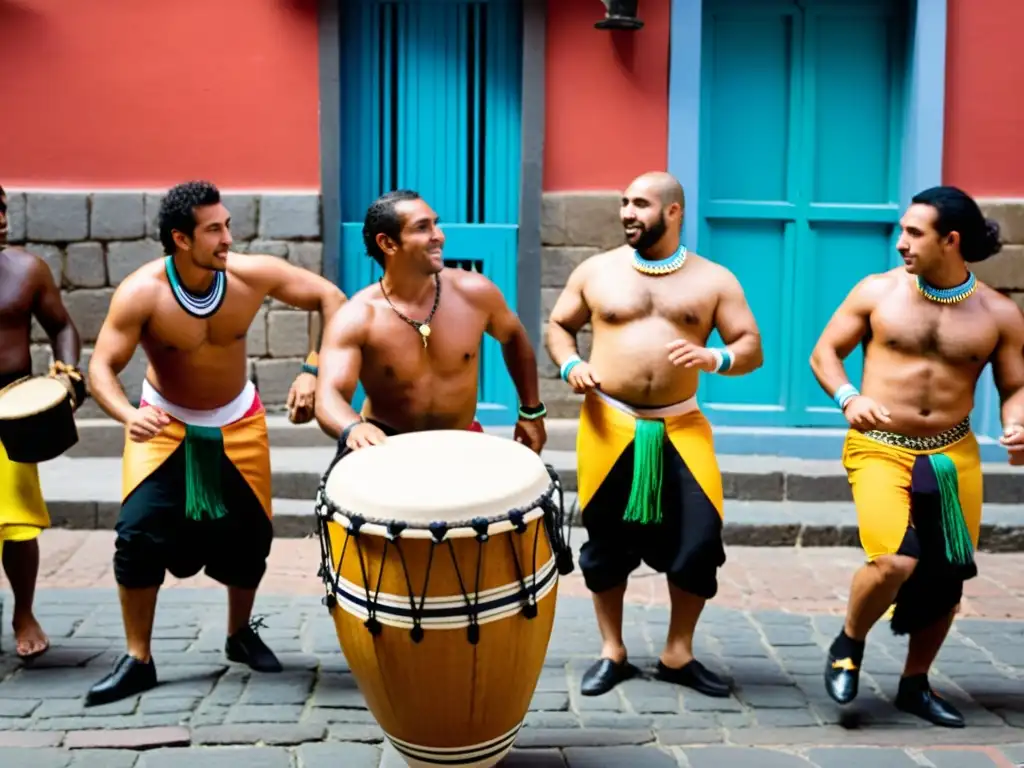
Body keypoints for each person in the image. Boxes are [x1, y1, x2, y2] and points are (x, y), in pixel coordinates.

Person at [85, 180, 346, 705]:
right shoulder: (143, 291)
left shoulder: (250, 275)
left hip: (238, 421)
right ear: (181, 239)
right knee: (137, 536)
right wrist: (126, 415)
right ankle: (138, 658)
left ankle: (239, 633)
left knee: (251, 538)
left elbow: (330, 298)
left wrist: (313, 371)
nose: (228, 237)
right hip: (164, 423)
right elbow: (101, 367)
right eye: (214, 229)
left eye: (227, 225)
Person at [810, 185, 1024, 728]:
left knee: (947, 577)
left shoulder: (999, 313)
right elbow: (825, 353)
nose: (900, 241)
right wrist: (848, 397)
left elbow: (1014, 386)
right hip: (880, 446)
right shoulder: (877, 292)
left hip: (953, 456)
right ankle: (848, 642)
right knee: (894, 560)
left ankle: (914, 683)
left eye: (913, 232)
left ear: (950, 241)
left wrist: (1017, 422)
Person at [545, 171, 764, 698]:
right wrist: (570, 362)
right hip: (609, 422)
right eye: (623, 202)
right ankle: (611, 651)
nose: (626, 212)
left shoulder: (713, 279)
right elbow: (558, 326)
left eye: (639, 204)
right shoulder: (597, 271)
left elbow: (751, 345)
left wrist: (716, 356)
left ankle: (677, 653)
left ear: (672, 212)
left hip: (681, 423)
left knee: (699, 539)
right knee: (607, 542)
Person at [314, 189, 547, 455]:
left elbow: (514, 336)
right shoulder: (358, 316)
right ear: (388, 244)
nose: (438, 236)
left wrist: (531, 411)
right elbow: (328, 396)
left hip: (461, 441)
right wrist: (352, 427)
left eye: (436, 224)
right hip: (387, 446)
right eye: (422, 228)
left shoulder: (475, 293)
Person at [0, 184, 86, 661]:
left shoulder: (27, 270)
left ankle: (24, 611)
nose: (0, 218)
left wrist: (67, 373)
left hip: (11, 407)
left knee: (15, 522)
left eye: (2, 207)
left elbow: (62, 326)